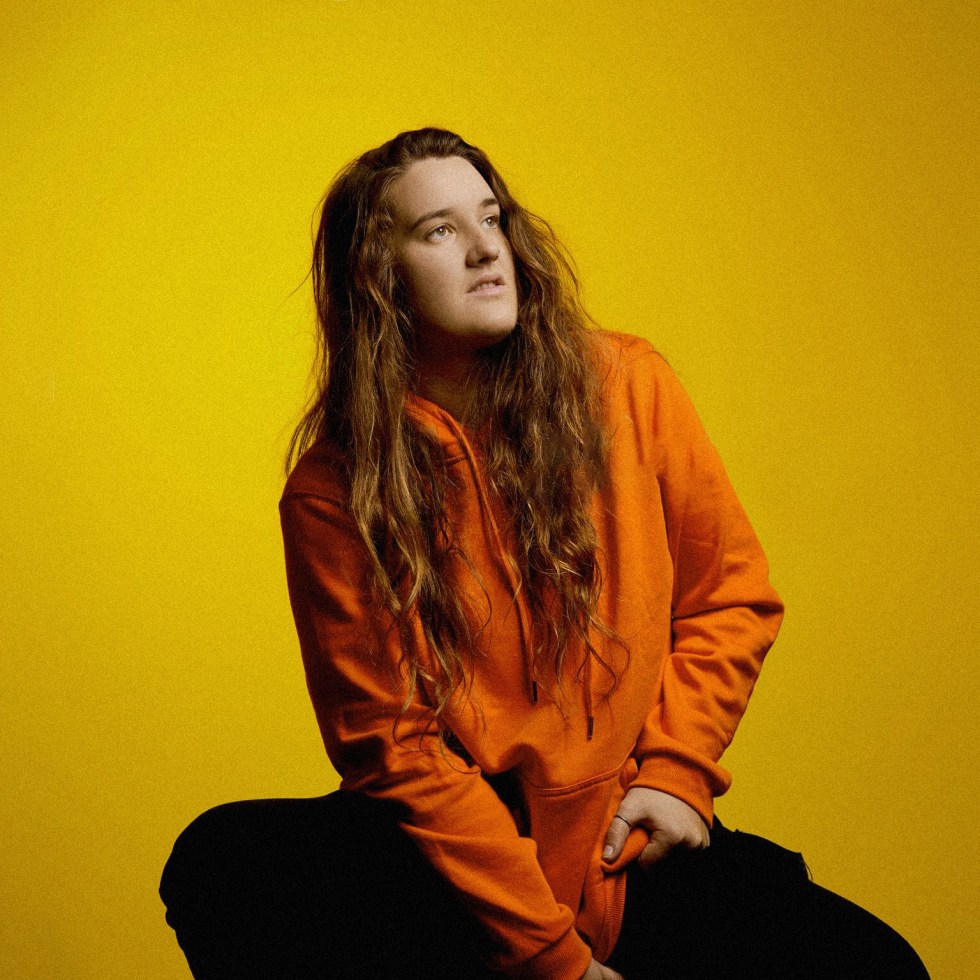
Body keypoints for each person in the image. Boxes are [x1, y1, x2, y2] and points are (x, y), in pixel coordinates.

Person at [160, 127, 928, 978]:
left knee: (879, 967)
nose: (486, 248)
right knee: (220, 861)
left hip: (627, 830)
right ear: (380, 277)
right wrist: (549, 958)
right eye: (440, 230)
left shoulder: (628, 385)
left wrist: (676, 774)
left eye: (492, 218)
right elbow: (394, 747)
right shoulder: (334, 490)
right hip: (460, 863)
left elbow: (730, 596)